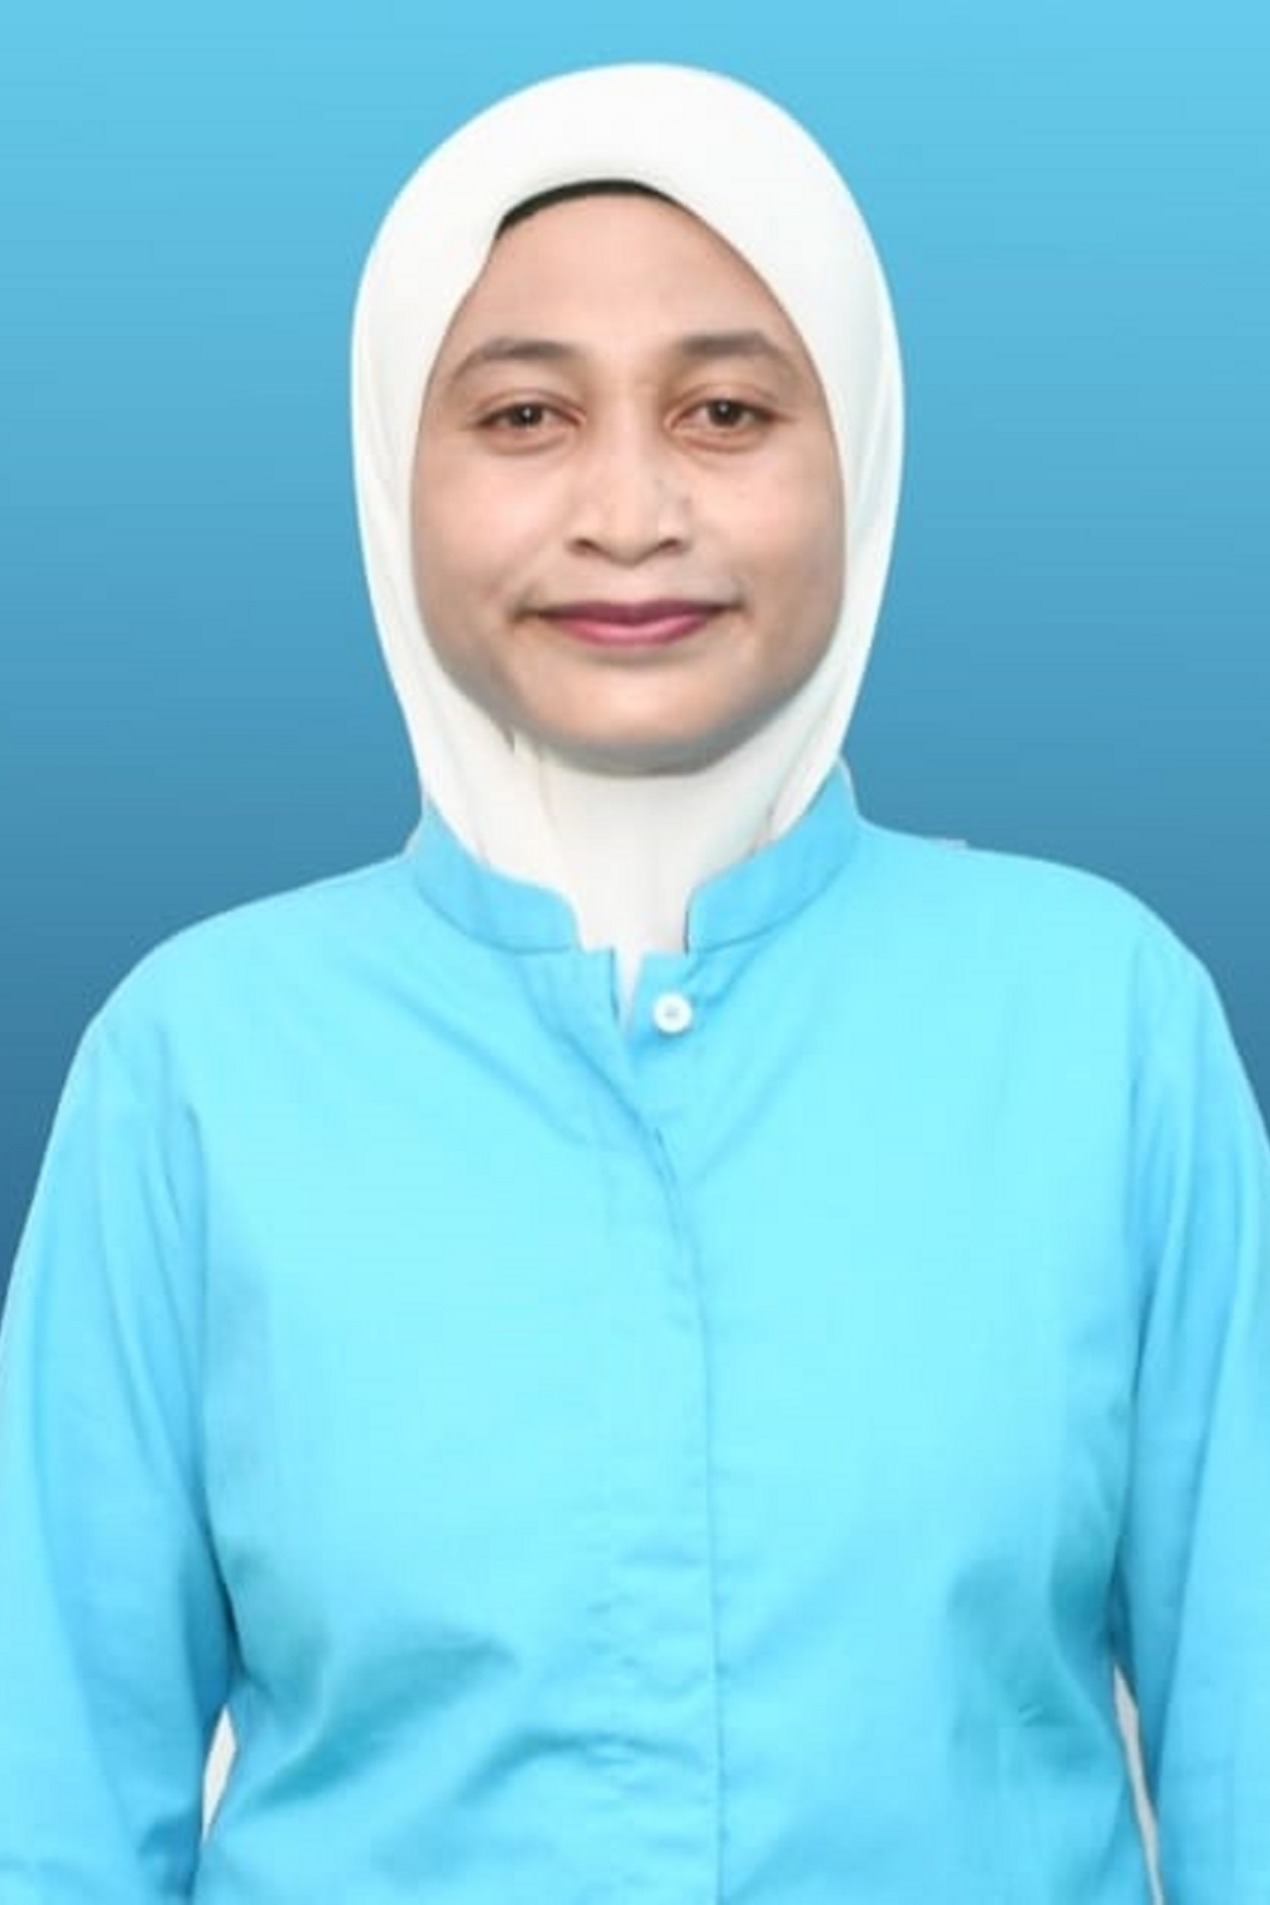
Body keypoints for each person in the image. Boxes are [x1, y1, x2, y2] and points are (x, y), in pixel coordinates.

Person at [0, 60, 1267, 1905]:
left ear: (863, 454)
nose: (627, 509)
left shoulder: (1104, 1024)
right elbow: (47, 1803)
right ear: (391, 460)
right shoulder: (194, 1063)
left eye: (726, 409)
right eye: (523, 414)